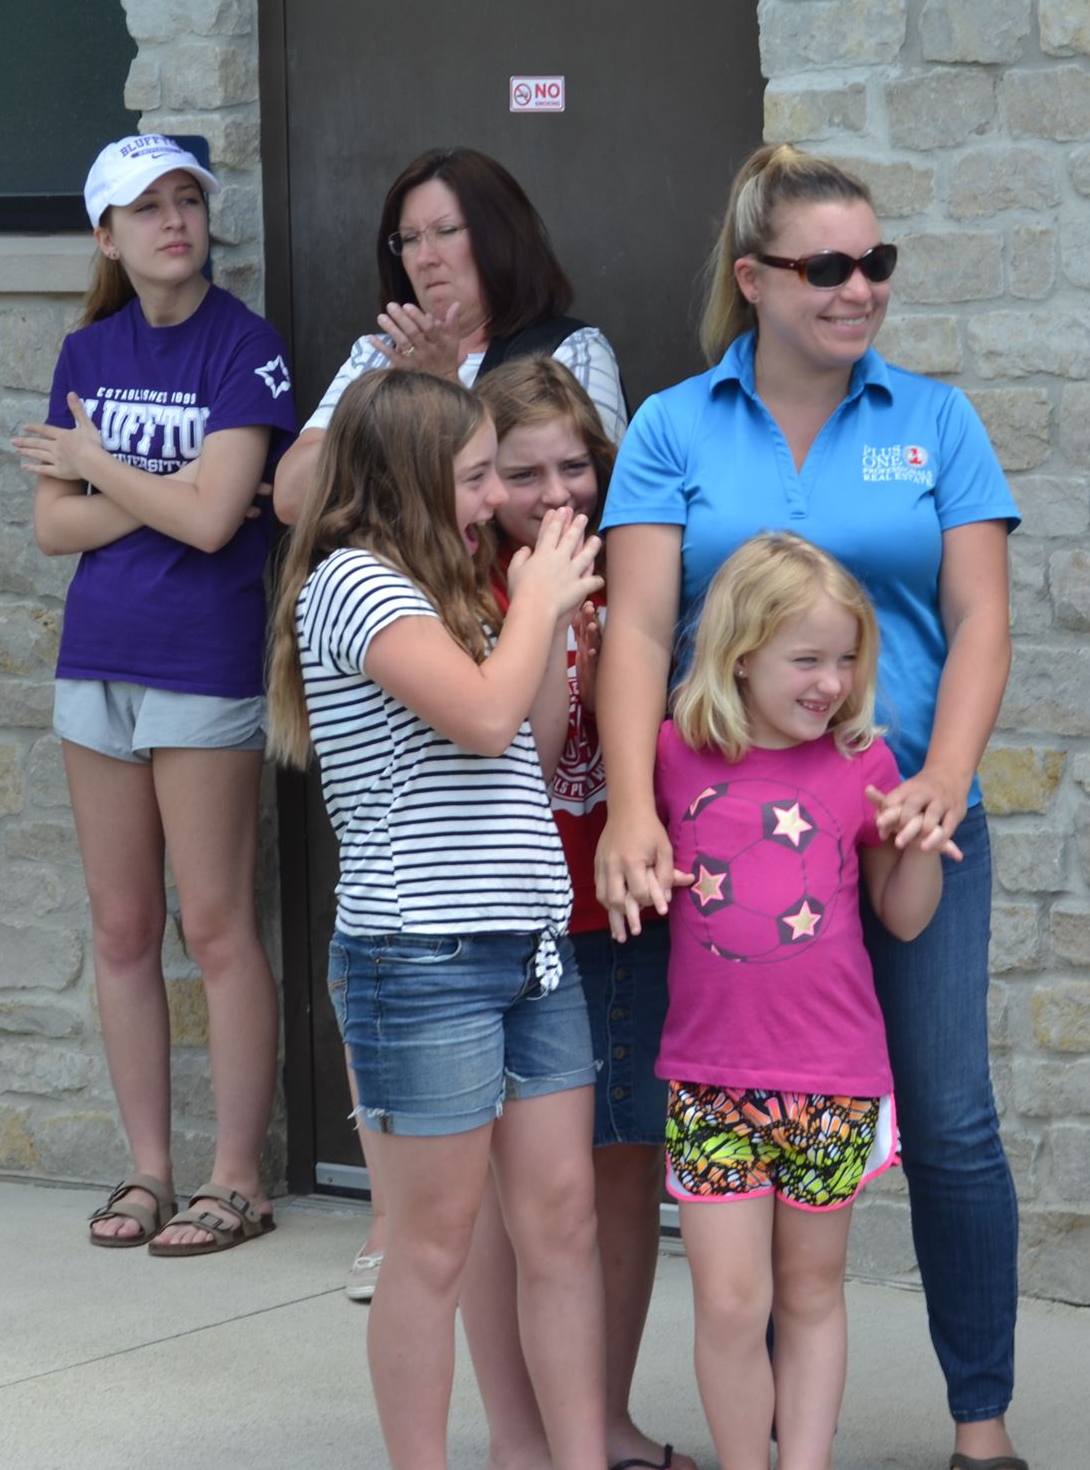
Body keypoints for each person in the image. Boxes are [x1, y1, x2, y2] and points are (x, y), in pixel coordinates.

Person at [595, 144, 1024, 1470]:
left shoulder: (934, 419)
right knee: (738, 1108)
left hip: (899, 821)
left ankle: (982, 1424)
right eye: (828, 265)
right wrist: (627, 810)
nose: (860, 288)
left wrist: (943, 778)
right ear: (755, 278)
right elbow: (639, 630)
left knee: (947, 1116)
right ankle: (774, 1439)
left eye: (876, 262)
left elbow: (980, 613)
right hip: (711, 827)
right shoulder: (675, 425)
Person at [269, 365, 606, 1470]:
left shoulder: (458, 587)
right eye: (473, 475)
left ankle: (568, 1454)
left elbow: (534, 741)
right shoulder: (353, 583)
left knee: (560, 1221)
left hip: (527, 951)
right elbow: (478, 714)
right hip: (419, 958)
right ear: (413, 474)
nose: (493, 498)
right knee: (434, 1243)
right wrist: (545, 599)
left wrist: (546, 625)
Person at [11, 134, 296, 1254]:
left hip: (203, 660)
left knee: (216, 923)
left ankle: (236, 1176)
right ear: (106, 234)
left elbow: (220, 522)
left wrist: (106, 466)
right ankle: (146, 1169)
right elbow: (52, 526)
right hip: (98, 661)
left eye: (188, 200)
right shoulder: (87, 347)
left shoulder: (247, 347)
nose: (174, 221)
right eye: (146, 207)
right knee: (123, 927)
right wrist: (168, 487)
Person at [642, 532, 947, 1470]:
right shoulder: (669, 753)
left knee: (811, 1293)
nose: (830, 680)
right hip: (712, 1078)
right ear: (741, 654)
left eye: (846, 657)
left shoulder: (865, 761)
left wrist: (920, 839)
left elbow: (902, 918)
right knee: (731, 1301)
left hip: (832, 1079)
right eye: (806, 658)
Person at [452, 353, 695, 1470]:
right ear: (477, 481)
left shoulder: (636, 570)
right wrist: (546, 610)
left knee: (629, 1161)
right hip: (518, 922)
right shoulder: (467, 589)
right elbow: (534, 746)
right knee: (521, 1197)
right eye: (521, 472)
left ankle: (598, 1414)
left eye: (575, 466)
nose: (555, 496)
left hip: (630, 909)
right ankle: (521, 1435)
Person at [272, 146, 625, 526]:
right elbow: (292, 497)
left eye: (445, 231)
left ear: (502, 237)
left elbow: (589, 496)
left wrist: (443, 388)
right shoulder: (375, 354)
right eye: (409, 239)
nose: (424, 257)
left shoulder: (572, 350)